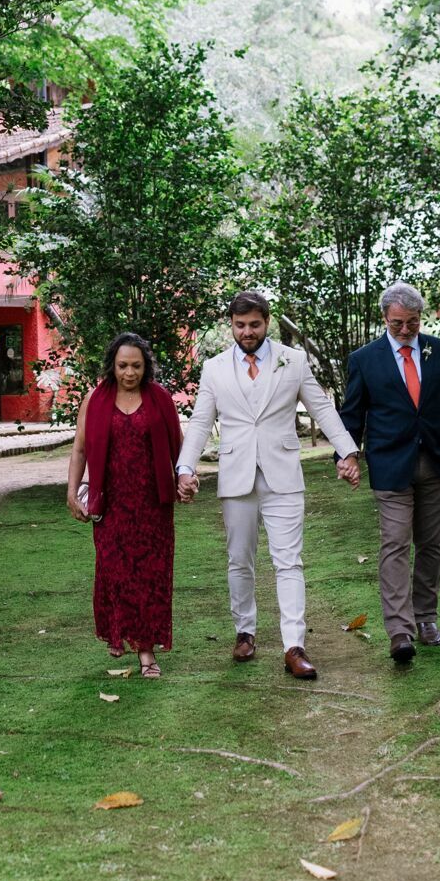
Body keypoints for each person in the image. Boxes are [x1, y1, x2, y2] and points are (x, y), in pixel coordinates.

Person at [176, 291, 360, 680]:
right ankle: (245, 632)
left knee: (288, 560)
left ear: (267, 322)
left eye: (255, 325)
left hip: (283, 473)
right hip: (236, 474)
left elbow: (321, 407)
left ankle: (295, 646)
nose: (247, 332)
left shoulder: (292, 361)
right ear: (231, 324)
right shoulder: (214, 368)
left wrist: (346, 452)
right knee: (239, 559)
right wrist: (185, 467)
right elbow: (200, 421)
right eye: (240, 325)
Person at [338, 280, 440, 665]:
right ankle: (400, 631)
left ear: (420, 318)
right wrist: (345, 455)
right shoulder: (365, 359)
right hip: (390, 466)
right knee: (395, 544)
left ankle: (427, 618)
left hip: (437, 464)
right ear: (384, 317)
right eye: (397, 323)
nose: (405, 330)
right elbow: (352, 416)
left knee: (431, 545)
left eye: (412, 323)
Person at [67, 332, 183, 678]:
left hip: (152, 505)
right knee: (114, 572)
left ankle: (146, 653)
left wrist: (186, 479)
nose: (129, 373)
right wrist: (72, 491)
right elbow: (80, 449)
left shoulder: (160, 399)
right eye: (122, 365)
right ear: (111, 366)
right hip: (112, 503)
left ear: (146, 367)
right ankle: (118, 632)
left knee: (149, 576)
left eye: (136, 365)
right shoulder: (95, 400)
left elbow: (178, 446)